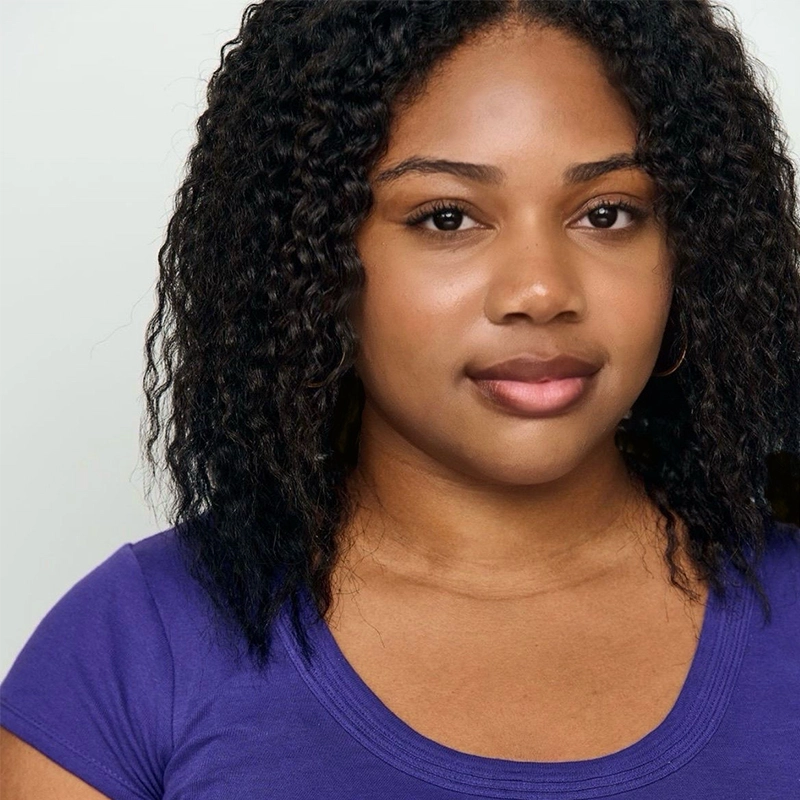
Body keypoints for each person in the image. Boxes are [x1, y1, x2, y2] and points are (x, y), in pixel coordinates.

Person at [2, 0, 799, 797]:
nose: (540, 291)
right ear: (311, 258)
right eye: (446, 218)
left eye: (607, 213)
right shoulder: (133, 648)